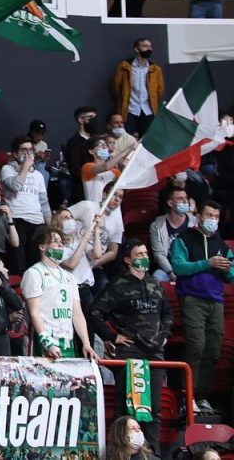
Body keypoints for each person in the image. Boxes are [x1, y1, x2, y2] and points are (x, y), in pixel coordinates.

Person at [89, 241, 171, 455]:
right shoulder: (117, 285)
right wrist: (112, 337)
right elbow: (95, 312)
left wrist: (164, 336)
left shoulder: (156, 283)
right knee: (127, 407)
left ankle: (152, 455)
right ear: (127, 259)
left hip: (155, 353)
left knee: (155, 407)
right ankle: (120, 455)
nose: (144, 256)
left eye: (146, 252)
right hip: (130, 353)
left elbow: (167, 314)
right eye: (139, 253)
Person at [170, 200, 234, 414]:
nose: (212, 220)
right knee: (196, 347)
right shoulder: (184, 240)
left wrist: (227, 269)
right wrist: (208, 263)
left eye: (216, 216)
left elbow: (231, 277)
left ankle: (202, 396)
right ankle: (188, 397)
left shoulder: (222, 245)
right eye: (209, 215)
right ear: (199, 216)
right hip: (192, 299)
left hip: (216, 301)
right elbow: (178, 267)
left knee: (213, 350)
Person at [21, 227, 98, 360]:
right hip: (44, 343)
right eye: (55, 241)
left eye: (61, 241)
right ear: (42, 246)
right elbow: (34, 312)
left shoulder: (70, 277)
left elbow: (77, 314)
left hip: (67, 343)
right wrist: (47, 342)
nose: (60, 244)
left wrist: (86, 343)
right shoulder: (33, 273)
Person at [0, 135, 51, 269]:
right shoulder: (7, 169)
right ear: (16, 154)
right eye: (24, 150)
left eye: (30, 150)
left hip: (37, 221)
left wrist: (49, 226)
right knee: (18, 264)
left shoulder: (38, 175)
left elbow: (44, 202)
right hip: (17, 219)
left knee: (36, 263)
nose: (28, 154)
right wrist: (25, 167)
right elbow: (16, 186)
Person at [69, 184, 125, 301]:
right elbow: (62, 216)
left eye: (120, 197)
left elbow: (113, 252)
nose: (117, 199)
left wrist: (95, 263)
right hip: (73, 259)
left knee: (104, 288)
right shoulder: (87, 206)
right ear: (104, 194)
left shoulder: (117, 222)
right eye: (114, 194)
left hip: (95, 264)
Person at [111, 38, 163, 138]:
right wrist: (123, 101)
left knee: (148, 140)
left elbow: (159, 90)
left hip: (148, 110)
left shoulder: (155, 69)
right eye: (145, 46)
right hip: (130, 110)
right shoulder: (124, 66)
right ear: (136, 49)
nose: (149, 49)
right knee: (127, 139)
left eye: (150, 46)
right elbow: (116, 87)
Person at [149, 186, 196, 282]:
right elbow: (159, 255)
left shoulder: (196, 222)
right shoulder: (157, 226)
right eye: (180, 199)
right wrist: (171, 272)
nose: (185, 201)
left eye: (186, 198)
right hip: (167, 270)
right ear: (170, 203)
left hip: (192, 268)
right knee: (155, 279)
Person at [81, 134, 135, 203]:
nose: (104, 147)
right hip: (94, 208)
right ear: (91, 151)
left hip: (110, 209)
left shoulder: (115, 171)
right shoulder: (87, 167)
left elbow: (125, 187)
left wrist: (123, 168)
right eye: (100, 145)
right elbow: (105, 167)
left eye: (105, 144)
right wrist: (128, 149)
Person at [64, 106, 99, 205]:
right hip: (83, 191)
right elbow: (76, 169)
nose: (94, 121)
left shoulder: (97, 140)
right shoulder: (74, 143)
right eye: (91, 118)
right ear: (81, 120)